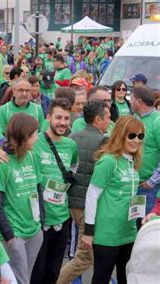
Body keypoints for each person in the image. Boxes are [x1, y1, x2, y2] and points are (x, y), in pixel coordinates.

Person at [82, 116, 145, 284]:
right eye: (131, 135)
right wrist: (89, 231)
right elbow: (92, 196)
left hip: (128, 231)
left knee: (128, 278)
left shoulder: (132, 161)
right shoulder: (109, 161)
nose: (136, 140)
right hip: (107, 234)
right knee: (102, 278)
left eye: (140, 136)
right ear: (120, 135)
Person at [57, 101, 110, 284]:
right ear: (97, 119)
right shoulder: (104, 141)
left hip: (71, 201)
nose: (109, 122)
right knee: (84, 258)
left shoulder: (72, 136)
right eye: (108, 118)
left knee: (92, 254)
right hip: (88, 206)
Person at [0, 113, 44, 284]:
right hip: (15, 233)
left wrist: (41, 222)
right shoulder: (1, 163)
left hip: (34, 230)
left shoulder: (32, 156)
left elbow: (38, 189)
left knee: (25, 277)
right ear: (24, 136)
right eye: (34, 134)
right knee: (19, 280)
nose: (37, 138)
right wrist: (9, 236)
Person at [31, 98, 79, 284]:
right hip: (38, 219)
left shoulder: (71, 145)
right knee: (37, 272)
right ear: (49, 117)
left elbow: (72, 169)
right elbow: (9, 148)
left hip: (61, 217)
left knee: (53, 272)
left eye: (67, 118)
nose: (63, 123)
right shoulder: (35, 140)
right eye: (58, 117)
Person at [130, 86, 160, 220]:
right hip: (132, 185)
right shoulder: (135, 119)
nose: (129, 102)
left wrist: (151, 181)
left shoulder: (157, 121)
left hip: (148, 188)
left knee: (144, 227)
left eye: (131, 99)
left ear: (139, 102)